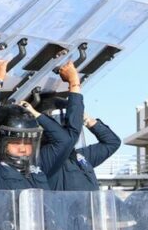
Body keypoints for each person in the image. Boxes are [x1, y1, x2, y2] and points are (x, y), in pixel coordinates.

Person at [42, 61, 121, 191]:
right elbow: (68, 135)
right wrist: (74, 83)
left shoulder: (80, 157)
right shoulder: (47, 160)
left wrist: (86, 119)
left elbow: (112, 142)